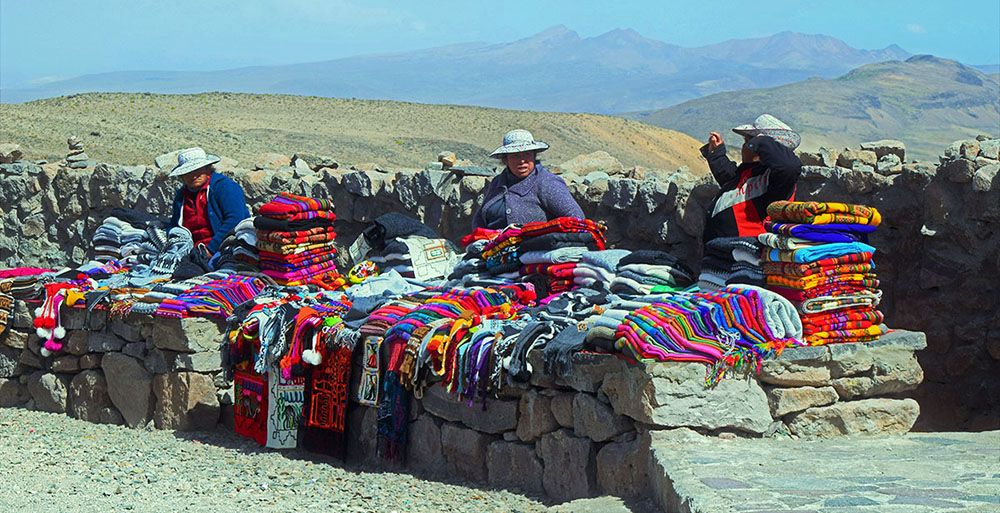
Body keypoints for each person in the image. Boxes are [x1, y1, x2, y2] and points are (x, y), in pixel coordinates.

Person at [700, 114, 802, 243]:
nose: (744, 147)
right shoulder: (748, 173)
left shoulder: (776, 180)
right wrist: (716, 153)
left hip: (745, 252)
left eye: (747, 142)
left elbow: (789, 167)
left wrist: (761, 140)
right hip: (720, 250)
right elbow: (729, 179)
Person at [472, 129, 584, 229]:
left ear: (534, 156)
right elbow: (480, 219)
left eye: (527, 154)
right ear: (505, 160)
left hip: (535, 249)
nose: (522, 161)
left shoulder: (547, 182)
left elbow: (576, 219)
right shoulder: (498, 182)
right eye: (515, 155)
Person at [167, 147, 250, 257]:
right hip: (192, 250)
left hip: (224, 246)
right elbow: (175, 224)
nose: (194, 175)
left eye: (198, 170)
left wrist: (211, 249)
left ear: (208, 169)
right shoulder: (182, 195)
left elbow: (235, 219)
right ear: (182, 175)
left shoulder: (224, 187)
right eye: (188, 172)